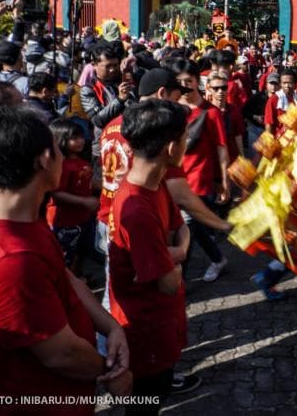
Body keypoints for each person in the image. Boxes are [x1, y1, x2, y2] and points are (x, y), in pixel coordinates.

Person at [0, 105, 131, 414]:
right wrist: (111, 373)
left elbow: (64, 276)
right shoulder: (9, 259)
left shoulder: (27, 221)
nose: (65, 157)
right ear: (44, 159)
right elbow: (61, 354)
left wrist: (112, 328)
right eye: (57, 148)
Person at [108, 100, 190, 414]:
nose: (187, 145)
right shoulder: (137, 209)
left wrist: (172, 252)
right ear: (171, 147)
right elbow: (168, 282)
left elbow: (178, 226)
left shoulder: (153, 185)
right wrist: (180, 252)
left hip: (161, 324)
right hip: (145, 333)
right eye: (185, 139)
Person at [174, 60, 230, 282]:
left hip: (198, 181)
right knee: (193, 225)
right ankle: (217, 259)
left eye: (189, 81)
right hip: (173, 180)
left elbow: (222, 150)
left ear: (198, 82)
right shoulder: (173, 108)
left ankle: (180, 283)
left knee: (186, 228)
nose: (185, 86)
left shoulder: (211, 113)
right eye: (180, 82)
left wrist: (224, 182)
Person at [46, 118, 99, 269]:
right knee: (65, 256)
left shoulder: (80, 160)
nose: (81, 141)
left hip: (83, 218)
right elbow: (56, 193)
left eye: (81, 136)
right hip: (65, 222)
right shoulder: (62, 165)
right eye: (74, 138)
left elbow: (85, 182)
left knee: (81, 251)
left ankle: (78, 276)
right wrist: (84, 201)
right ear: (61, 139)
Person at [81, 41, 136, 185]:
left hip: (129, 144)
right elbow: (98, 120)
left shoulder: (124, 80)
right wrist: (120, 99)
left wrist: (133, 62)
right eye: (108, 66)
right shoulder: (88, 89)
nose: (112, 70)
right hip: (103, 148)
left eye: (115, 65)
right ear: (94, 65)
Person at [264, 68, 297, 135]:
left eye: (290, 83)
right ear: (280, 84)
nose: (287, 86)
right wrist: (271, 144)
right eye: (284, 83)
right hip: (279, 139)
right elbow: (268, 124)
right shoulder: (273, 99)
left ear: (295, 84)